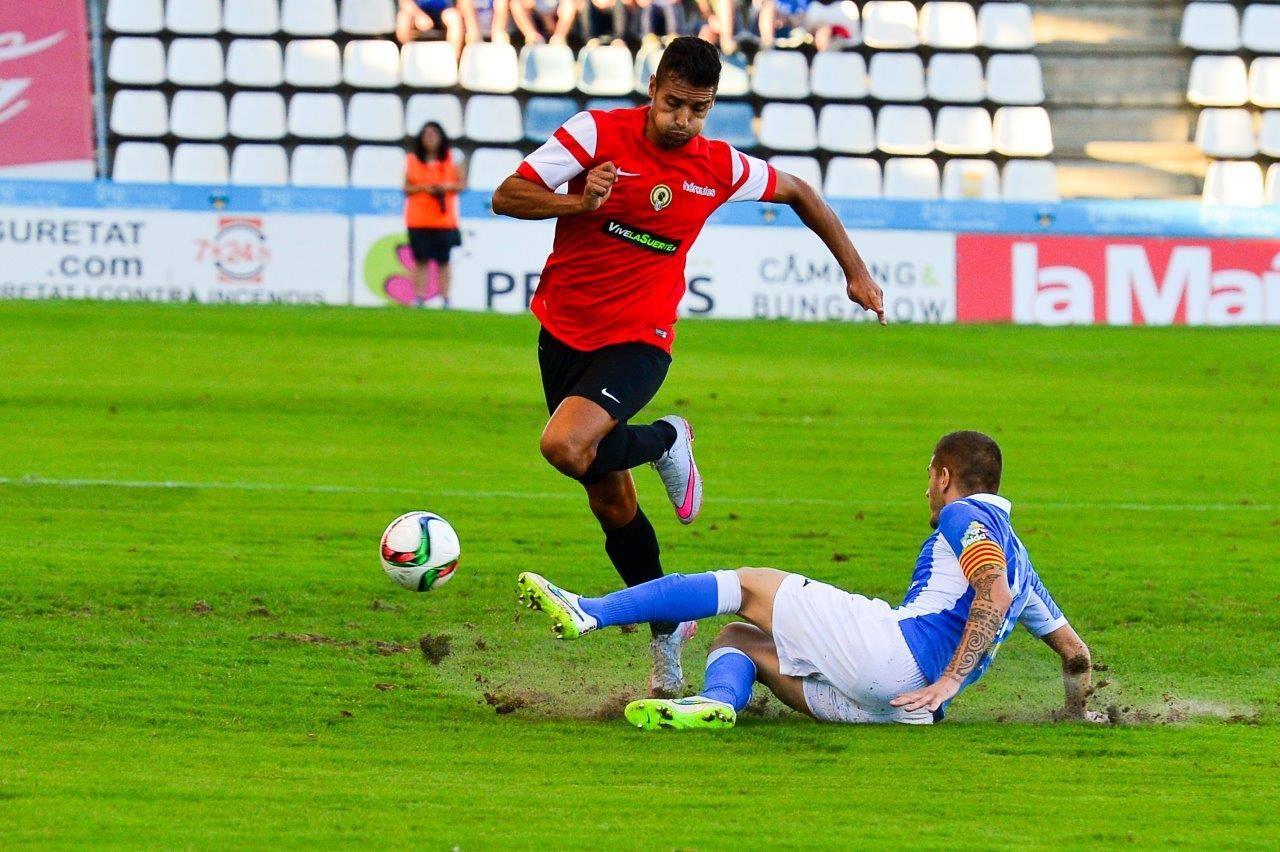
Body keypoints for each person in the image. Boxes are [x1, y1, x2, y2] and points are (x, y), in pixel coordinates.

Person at [490, 37, 883, 696]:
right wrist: (579, 204)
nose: (683, 122)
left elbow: (799, 191)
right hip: (563, 333)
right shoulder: (595, 133)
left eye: (698, 110)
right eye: (674, 104)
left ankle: (668, 437)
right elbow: (507, 195)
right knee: (608, 496)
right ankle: (667, 630)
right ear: (653, 89)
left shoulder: (717, 164)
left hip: (640, 338)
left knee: (564, 445)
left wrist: (855, 270)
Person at [517, 431, 1108, 729]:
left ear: (946, 475)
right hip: (898, 713)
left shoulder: (964, 514)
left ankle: (589, 609)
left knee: (749, 586)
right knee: (737, 640)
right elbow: (1076, 657)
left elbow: (991, 591)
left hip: (898, 660)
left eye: (930, 476)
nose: (927, 488)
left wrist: (951, 679)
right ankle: (715, 704)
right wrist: (1076, 715)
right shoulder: (1026, 562)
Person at [403, 122, 466, 308]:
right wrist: (423, 188)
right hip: (418, 218)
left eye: (434, 133)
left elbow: (462, 184)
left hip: (444, 219)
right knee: (420, 260)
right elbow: (406, 187)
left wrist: (445, 187)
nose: (430, 137)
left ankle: (445, 298)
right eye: (426, 134)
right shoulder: (413, 159)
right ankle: (419, 298)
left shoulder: (452, 159)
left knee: (444, 261)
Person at [396, 0, 464, 55]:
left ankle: (452, 61)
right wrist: (418, 15)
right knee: (403, 18)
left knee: (454, 17)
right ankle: (408, 58)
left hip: (444, 14)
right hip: (418, 14)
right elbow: (405, 2)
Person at [510, 0, 580, 44]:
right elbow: (528, 3)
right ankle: (533, 38)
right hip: (537, 16)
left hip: (557, 18)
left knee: (569, 6)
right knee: (516, 4)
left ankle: (558, 38)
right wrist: (546, 18)